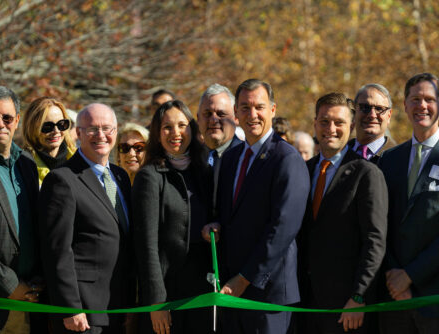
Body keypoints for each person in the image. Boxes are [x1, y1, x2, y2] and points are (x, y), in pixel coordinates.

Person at [203, 79, 310, 333]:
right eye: (244, 108)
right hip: (232, 293)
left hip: (268, 295)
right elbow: (230, 214)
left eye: (259, 107)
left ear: (272, 110)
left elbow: (283, 229)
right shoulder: (230, 158)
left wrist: (244, 279)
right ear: (236, 114)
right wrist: (215, 225)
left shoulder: (287, 159)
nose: (252, 115)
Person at [378, 73, 439, 334]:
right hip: (392, 298)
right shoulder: (388, 160)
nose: (421, 106)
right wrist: (394, 276)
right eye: (415, 99)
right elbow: (380, 225)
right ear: (404, 105)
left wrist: (410, 276)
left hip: (435, 300)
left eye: (429, 99)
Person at [39, 103, 134, 334]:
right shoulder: (62, 180)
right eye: (92, 129)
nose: (100, 135)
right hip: (83, 313)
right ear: (78, 133)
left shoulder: (120, 176)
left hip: (119, 307)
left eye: (107, 128)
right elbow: (57, 250)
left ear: (116, 131)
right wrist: (69, 307)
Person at [299, 92, 388, 333]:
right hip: (305, 304)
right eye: (325, 121)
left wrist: (359, 296)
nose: (331, 128)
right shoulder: (302, 171)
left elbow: (375, 241)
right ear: (315, 124)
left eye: (339, 122)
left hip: (347, 309)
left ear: (350, 126)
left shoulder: (366, 174)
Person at [133, 100, 212, 334]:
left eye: (182, 125)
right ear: (157, 134)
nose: (175, 133)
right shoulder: (149, 176)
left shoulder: (204, 171)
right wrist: (156, 302)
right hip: (167, 292)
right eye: (167, 127)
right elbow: (146, 245)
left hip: (202, 292)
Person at [0, 86, 42, 334]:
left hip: (30, 301)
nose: (0, 124)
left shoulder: (26, 163)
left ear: (17, 121)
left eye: (7, 118)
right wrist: (10, 285)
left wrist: (34, 282)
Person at [197, 83, 242, 216]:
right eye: (207, 114)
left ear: (236, 118)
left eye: (221, 114)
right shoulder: (190, 159)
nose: (213, 120)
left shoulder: (246, 159)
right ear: (198, 118)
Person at [22, 97, 76, 186]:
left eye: (61, 124)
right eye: (47, 127)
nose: (56, 131)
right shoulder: (22, 167)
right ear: (32, 128)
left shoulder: (81, 161)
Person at [349, 83, 397, 163]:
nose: (372, 115)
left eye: (379, 109)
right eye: (365, 107)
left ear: (389, 116)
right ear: (354, 111)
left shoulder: (400, 158)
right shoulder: (338, 152)